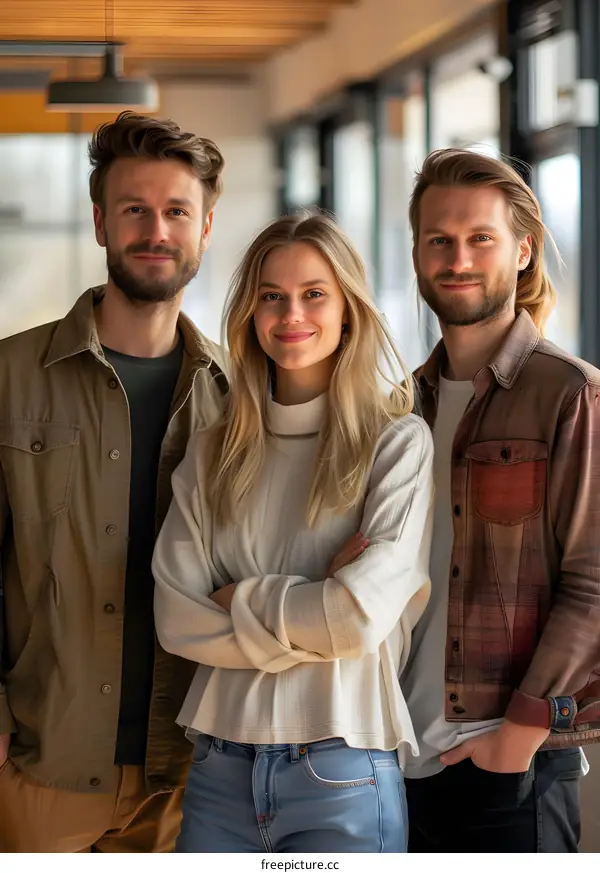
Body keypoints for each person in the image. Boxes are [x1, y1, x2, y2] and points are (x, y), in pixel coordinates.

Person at [152, 211, 434, 853]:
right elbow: (176, 619)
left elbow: (358, 619)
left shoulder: (396, 444)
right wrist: (314, 602)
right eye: (271, 296)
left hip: (342, 769)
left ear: (348, 309)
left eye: (314, 294)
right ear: (250, 312)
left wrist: (239, 600)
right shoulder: (212, 450)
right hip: (219, 770)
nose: (290, 315)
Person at [0, 111, 228, 852]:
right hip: (41, 763)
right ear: (100, 223)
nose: (155, 229)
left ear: (205, 227)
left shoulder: (244, 396)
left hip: (194, 772)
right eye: (134, 209)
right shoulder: (8, 378)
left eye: (175, 212)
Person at [402, 147, 600, 853]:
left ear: (522, 249)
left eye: (479, 237)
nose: (457, 256)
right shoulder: (402, 404)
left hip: (504, 770)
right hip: (396, 761)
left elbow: (595, 583)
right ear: (419, 253)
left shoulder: (570, 394)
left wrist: (516, 738)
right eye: (439, 239)